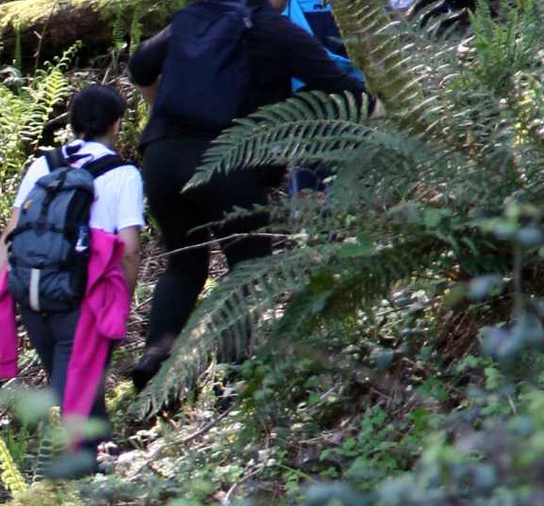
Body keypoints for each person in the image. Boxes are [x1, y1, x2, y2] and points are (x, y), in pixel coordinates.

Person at [126, 0, 368, 387]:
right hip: (226, 158)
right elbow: (338, 85)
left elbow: (139, 66)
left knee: (183, 265)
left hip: (161, 157)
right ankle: (232, 373)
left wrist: (163, 115)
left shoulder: (194, 16)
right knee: (247, 267)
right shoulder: (272, 28)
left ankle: (155, 358)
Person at [0, 85, 146, 472]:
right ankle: (67, 484)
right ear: (116, 124)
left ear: (72, 122)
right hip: (83, 300)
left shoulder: (44, 165)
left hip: (33, 294)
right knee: (70, 394)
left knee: (74, 381)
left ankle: (99, 457)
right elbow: (130, 248)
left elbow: (12, 234)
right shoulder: (123, 174)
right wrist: (122, 299)